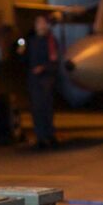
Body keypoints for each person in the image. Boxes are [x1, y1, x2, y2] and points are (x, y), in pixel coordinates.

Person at [24, 14, 60, 149]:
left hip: (46, 79)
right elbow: (25, 59)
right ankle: (40, 136)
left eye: (42, 22)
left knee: (46, 108)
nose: (39, 25)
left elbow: (54, 61)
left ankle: (49, 135)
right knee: (36, 109)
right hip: (34, 80)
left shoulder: (50, 41)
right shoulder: (31, 41)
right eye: (37, 22)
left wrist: (44, 68)